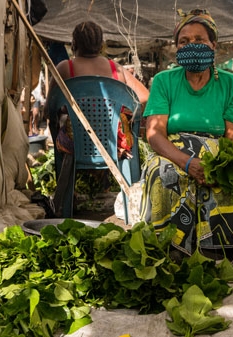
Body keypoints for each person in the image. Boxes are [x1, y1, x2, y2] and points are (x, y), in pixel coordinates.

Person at [139, 9, 233, 261]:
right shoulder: (164, 81)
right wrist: (187, 162)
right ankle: (168, 253)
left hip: (215, 157)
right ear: (176, 48)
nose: (191, 45)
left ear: (213, 45)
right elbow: (155, 133)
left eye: (199, 40)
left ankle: (219, 253)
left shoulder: (230, 84)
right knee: (163, 175)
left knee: (231, 183)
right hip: (173, 154)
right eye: (184, 41)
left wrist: (218, 168)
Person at [45, 20, 149, 214]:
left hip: (75, 144)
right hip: (116, 145)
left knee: (63, 131)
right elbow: (145, 98)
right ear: (102, 45)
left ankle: (67, 202)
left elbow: (49, 109)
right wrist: (130, 119)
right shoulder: (116, 69)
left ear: (73, 44)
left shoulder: (65, 68)